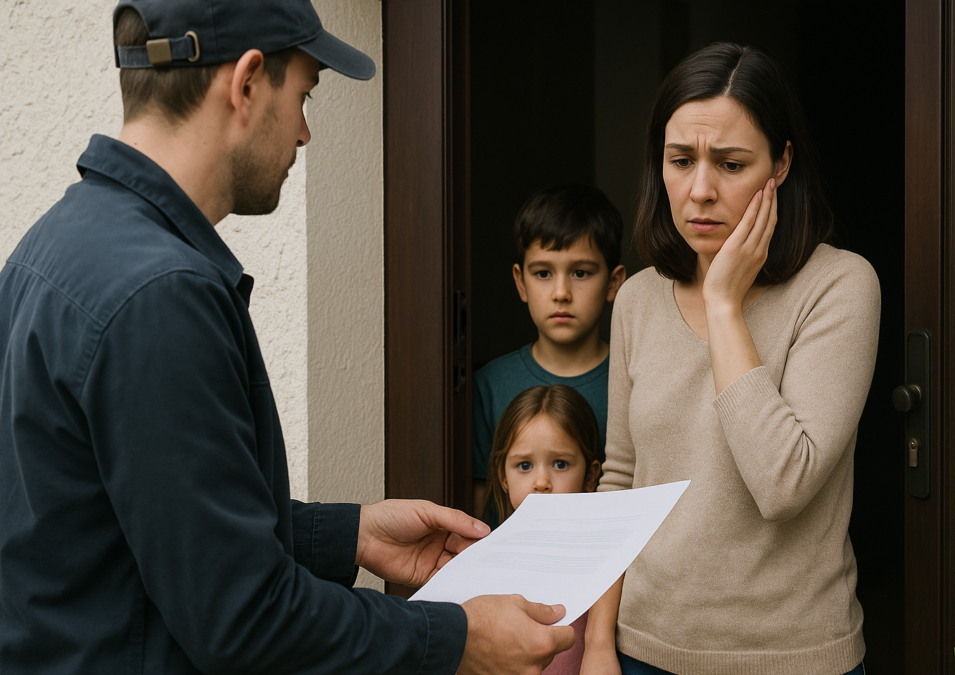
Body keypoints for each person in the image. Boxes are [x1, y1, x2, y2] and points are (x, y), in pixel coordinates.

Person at [0, 1, 573, 673]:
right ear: (246, 83)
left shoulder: (52, 245)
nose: (304, 132)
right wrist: (455, 637)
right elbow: (244, 616)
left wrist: (348, 535)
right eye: (303, 94)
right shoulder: (160, 294)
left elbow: (157, 522)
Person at [581, 42, 879, 675]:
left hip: (795, 657)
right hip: (641, 651)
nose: (700, 190)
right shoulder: (637, 297)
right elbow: (621, 482)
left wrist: (723, 305)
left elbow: (784, 484)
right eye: (681, 160)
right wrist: (600, 645)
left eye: (732, 163)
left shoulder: (840, 287)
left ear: (782, 164)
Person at [472, 184, 626, 519]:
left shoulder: (632, 380)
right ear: (520, 282)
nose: (561, 293)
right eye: (543, 273)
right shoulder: (488, 385)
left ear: (614, 283)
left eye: (580, 273)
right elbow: (479, 511)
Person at [483, 385, 603, 675]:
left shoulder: (604, 559)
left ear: (590, 475)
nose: (541, 482)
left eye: (560, 464)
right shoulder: (484, 562)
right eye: (524, 465)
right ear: (503, 475)